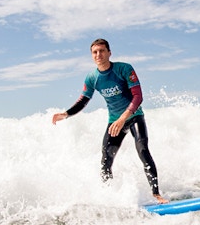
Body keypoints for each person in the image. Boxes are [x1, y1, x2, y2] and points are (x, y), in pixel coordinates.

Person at [52, 38, 168, 204]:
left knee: (142, 150)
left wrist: (123, 118)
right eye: (95, 52)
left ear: (109, 52)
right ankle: (109, 197)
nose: (98, 54)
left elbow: (138, 96)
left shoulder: (124, 69)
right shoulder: (92, 78)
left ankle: (156, 194)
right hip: (114, 121)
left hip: (133, 116)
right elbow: (84, 100)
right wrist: (66, 114)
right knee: (106, 159)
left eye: (102, 51)